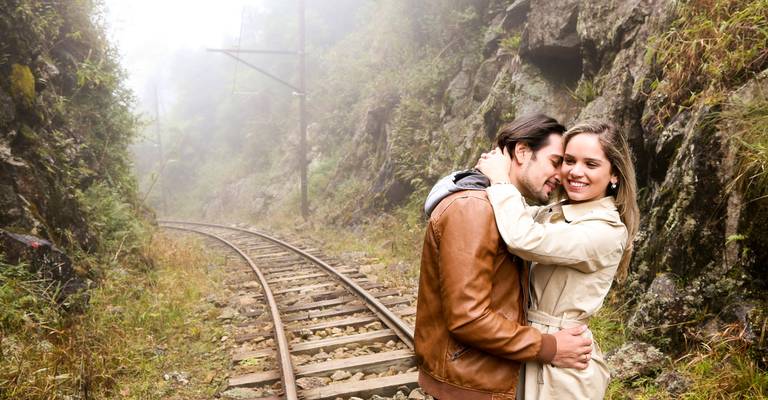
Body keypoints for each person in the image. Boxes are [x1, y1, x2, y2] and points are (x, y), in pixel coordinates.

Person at [415, 114, 593, 400]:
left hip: (479, 379)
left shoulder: (499, 207)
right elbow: (468, 318)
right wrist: (549, 346)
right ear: (522, 151)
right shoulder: (473, 207)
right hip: (471, 385)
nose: (561, 176)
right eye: (555, 162)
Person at [476, 120, 639, 399]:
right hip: (535, 347)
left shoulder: (606, 230)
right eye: (568, 160)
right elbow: (508, 220)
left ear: (614, 175)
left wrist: (501, 181)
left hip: (562, 365)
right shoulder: (556, 212)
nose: (575, 171)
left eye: (591, 164)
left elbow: (522, 239)